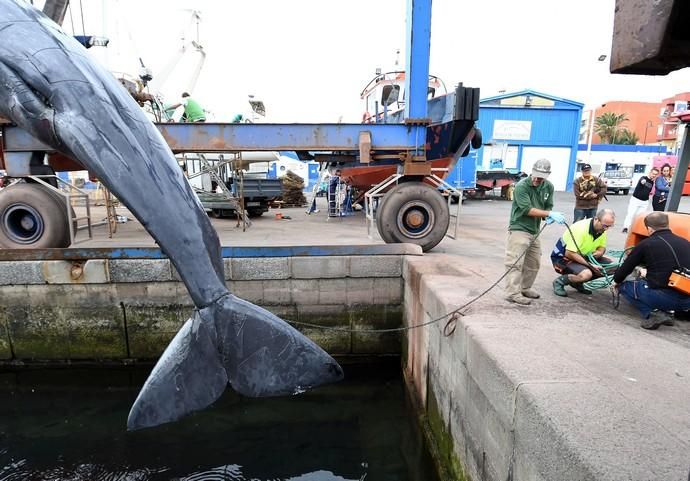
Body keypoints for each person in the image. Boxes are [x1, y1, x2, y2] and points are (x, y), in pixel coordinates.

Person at [504, 159, 565, 305]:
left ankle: (525, 288)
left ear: (547, 175)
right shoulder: (521, 187)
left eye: (541, 176)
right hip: (519, 227)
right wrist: (549, 214)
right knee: (515, 262)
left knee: (534, 262)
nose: (537, 179)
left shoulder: (548, 187)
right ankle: (512, 293)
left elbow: (548, 205)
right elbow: (526, 209)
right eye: (536, 175)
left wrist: (547, 214)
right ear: (532, 171)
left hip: (534, 230)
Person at [613, 212, 690, 329]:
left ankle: (653, 313)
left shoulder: (646, 244)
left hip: (664, 297)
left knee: (624, 286)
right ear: (667, 225)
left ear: (649, 229)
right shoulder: (685, 242)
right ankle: (668, 312)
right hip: (687, 299)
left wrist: (616, 281)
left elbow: (623, 272)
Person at [551, 208, 616, 296]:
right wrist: (590, 265)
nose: (606, 229)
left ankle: (577, 281)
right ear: (596, 219)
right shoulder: (581, 229)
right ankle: (560, 281)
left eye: (609, 226)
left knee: (613, 267)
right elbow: (569, 253)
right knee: (587, 274)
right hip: (563, 258)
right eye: (605, 226)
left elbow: (602, 247)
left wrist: (600, 252)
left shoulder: (601, 229)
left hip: (583, 257)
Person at [621, 167, 659, 233]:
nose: (654, 175)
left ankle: (636, 228)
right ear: (650, 173)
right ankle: (626, 227)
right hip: (635, 199)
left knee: (640, 216)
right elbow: (642, 181)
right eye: (653, 173)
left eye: (655, 174)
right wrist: (643, 182)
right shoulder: (643, 178)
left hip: (644, 202)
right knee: (631, 214)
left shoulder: (652, 182)